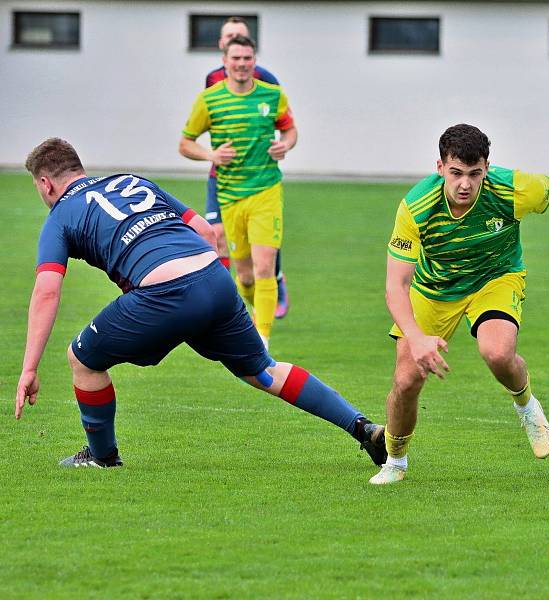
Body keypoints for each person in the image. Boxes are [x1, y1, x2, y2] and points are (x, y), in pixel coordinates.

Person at [14, 137, 386, 469]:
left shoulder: (60, 215)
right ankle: (362, 426)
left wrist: (29, 368)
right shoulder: (133, 181)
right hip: (213, 278)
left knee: (82, 358)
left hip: (163, 294)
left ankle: (101, 457)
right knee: (263, 371)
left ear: (46, 184)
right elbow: (206, 232)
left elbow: (47, 290)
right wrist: (201, 297)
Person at [370, 124, 549, 484]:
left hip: (495, 277)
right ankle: (395, 461)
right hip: (435, 288)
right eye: (456, 174)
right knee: (407, 380)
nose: (465, 184)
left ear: (486, 167)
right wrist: (417, 338)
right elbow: (396, 285)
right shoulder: (416, 207)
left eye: (474, 174)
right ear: (440, 168)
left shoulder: (511, 188)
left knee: (497, 353)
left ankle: (527, 407)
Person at [179, 34, 295, 349]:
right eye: (236, 58)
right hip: (230, 195)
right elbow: (185, 143)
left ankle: (263, 340)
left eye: (247, 58)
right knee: (244, 275)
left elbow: (290, 129)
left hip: (266, 191)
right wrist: (210, 155)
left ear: (254, 61)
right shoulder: (210, 100)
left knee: (263, 267)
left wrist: (285, 144)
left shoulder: (273, 96)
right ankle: (255, 311)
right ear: (225, 62)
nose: (242, 64)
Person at [203, 17, 290, 319]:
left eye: (240, 37)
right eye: (229, 38)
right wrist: (211, 154)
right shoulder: (211, 81)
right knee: (217, 236)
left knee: (261, 254)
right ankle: (231, 298)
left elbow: (279, 122)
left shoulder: (267, 80)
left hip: (259, 180)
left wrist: (283, 145)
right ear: (221, 47)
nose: (234, 43)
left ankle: (275, 277)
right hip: (223, 176)